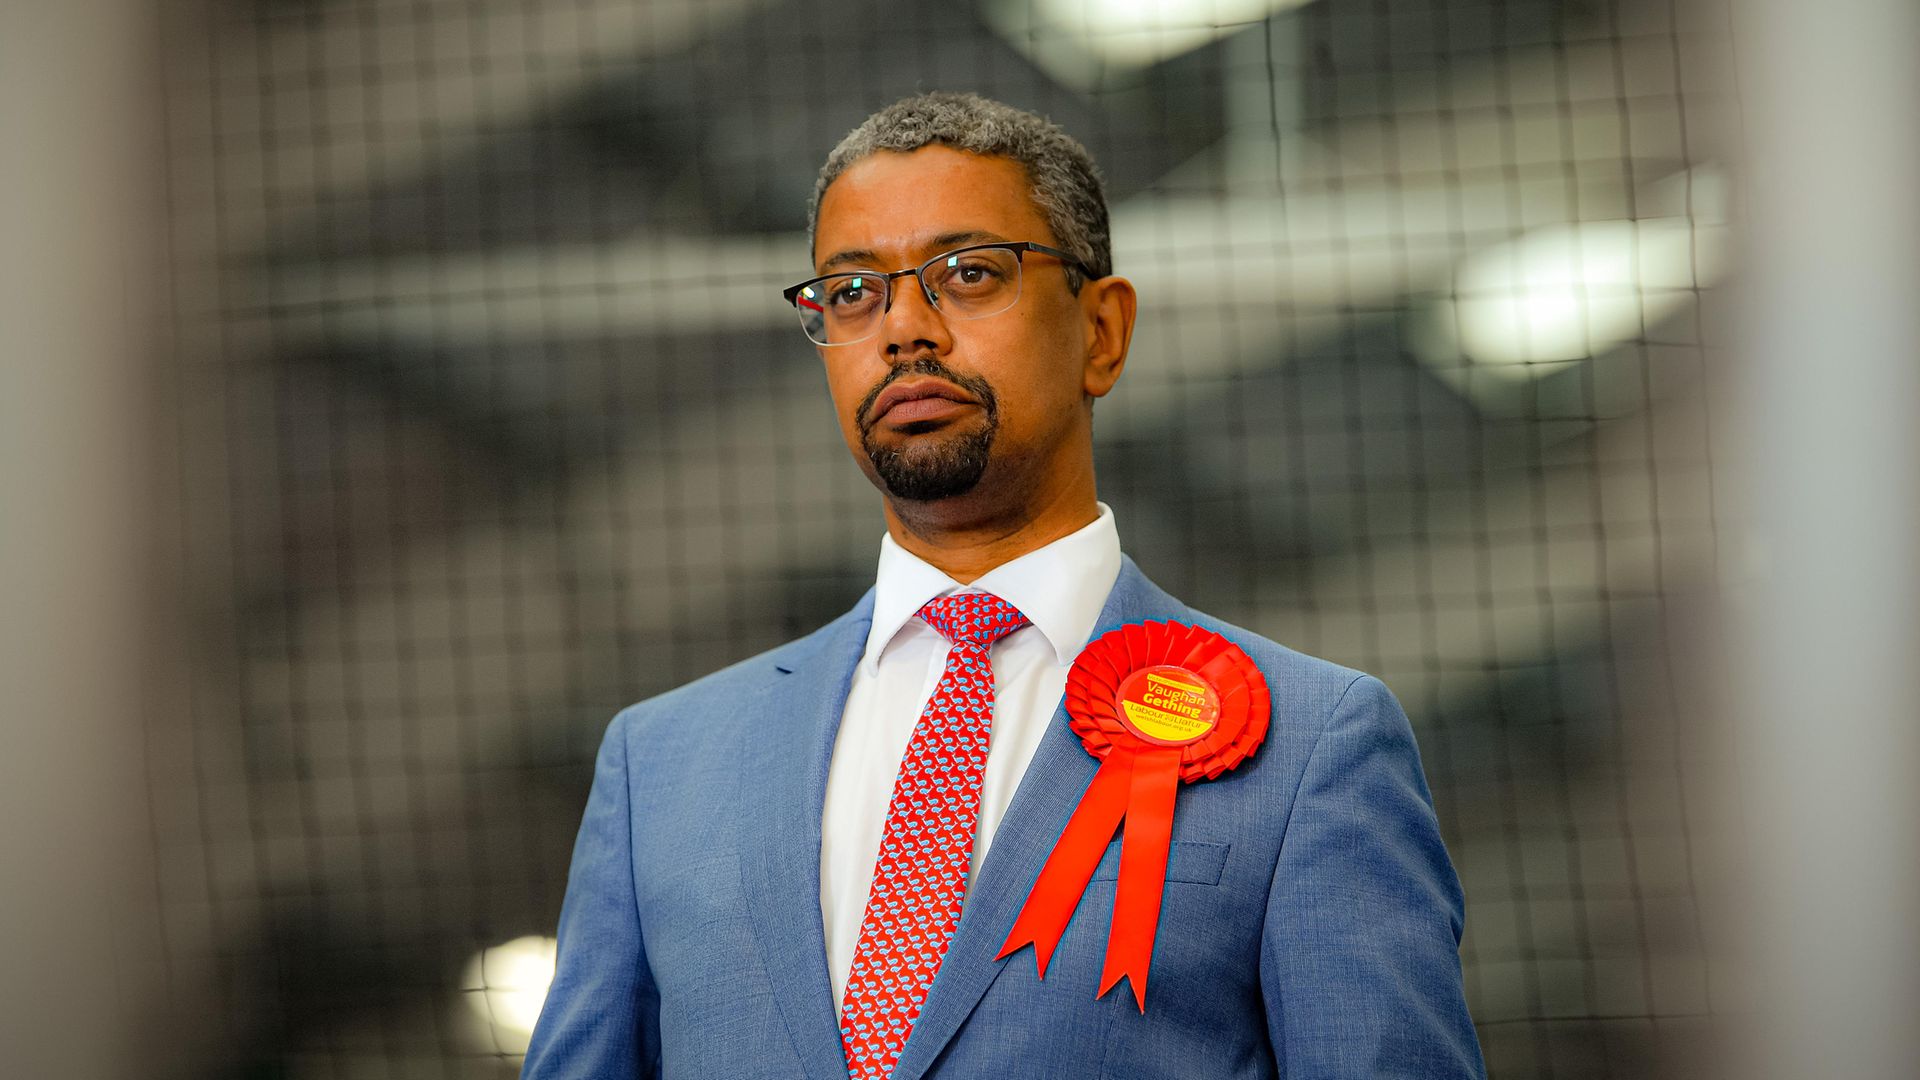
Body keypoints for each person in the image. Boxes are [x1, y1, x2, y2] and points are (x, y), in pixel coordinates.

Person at [522, 91, 1484, 1080]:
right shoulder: (661, 768)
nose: (904, 329)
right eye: (852, 293)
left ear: (1102, 333)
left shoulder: (1311, 743)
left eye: (968, 274)